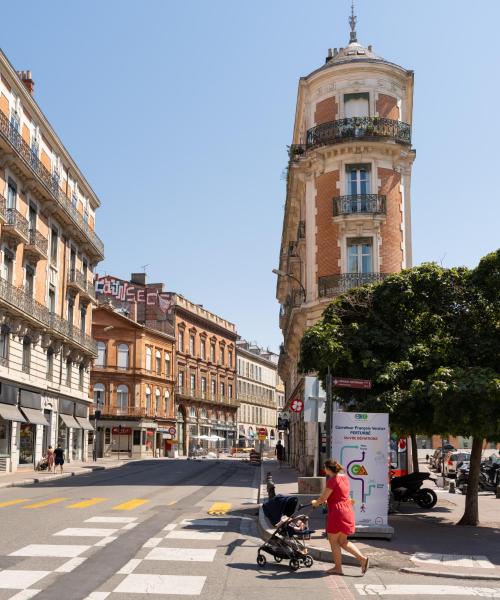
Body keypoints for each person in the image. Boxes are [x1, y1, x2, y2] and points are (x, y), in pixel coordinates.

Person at [312, 458, 369, 576]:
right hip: (347, 510)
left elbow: (323, 498)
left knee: (333, 542)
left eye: (325, 467)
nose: (324, 469)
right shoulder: (344, 478)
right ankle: (362, 559)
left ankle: (338, 568)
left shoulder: (332, 480)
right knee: (343, 541)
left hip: (337, 513)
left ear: (328, 469)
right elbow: (340, 494)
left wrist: (315, 503)